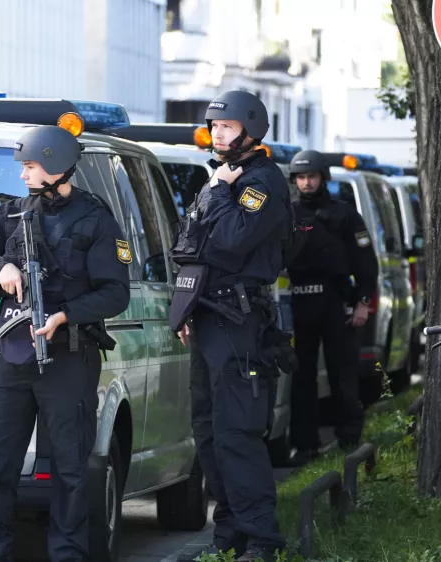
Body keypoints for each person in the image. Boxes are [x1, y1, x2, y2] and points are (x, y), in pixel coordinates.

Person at [0, 124, 131, 562]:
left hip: (69, 356)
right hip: (14, 356)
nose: (23, 175)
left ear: (56, 166)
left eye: (30, 166)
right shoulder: (12, 214)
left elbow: (116, 293)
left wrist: (66, 314)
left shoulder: (96, 220)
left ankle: (68, 555)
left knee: (71, 472)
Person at [170, 91, 292, 562]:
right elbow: (188, 246)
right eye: (213, 126)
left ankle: (262, 539)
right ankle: (229, 534)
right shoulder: (218, 178)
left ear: (250, 129)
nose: (217, 133)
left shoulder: (260, 180)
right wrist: (186, 308)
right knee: (207, 431)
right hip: (208, 316)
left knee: (238, 432)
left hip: (238, 322)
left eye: (226, 126)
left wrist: (220, 191)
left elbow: (227, 242)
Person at [285, 149, 378, 465]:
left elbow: (366, 262)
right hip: (299, 301)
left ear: (323, 178)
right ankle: (305, 445)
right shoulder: (288, 214)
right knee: (302, 377)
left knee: (343, 373)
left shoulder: (344, 214)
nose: (306, 183)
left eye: (311, 176)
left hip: (336, 302)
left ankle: (349, 440)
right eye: (301, 177)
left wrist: (363, 302)